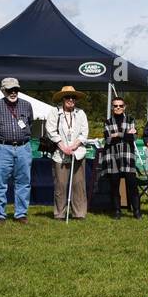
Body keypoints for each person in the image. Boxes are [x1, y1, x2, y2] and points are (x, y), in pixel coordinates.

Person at [0, 77, 34, 223]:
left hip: (24, 147)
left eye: (16, 89)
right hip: (2, 148)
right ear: (3, 91)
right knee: (0, 183)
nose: (13, 92)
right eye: (9, 90)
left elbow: (30, 123)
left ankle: (21, 214)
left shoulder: (27, 105)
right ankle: (0, 215)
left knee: (24, 182)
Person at [46, 86, 89, 219]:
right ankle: (59, 213)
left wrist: (75, 146)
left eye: (73, 97)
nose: (71, 99)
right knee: (61, 185)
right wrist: (63, 147)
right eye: (67, 97)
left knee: (79, 184)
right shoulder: (55, 112)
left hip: (78, 153)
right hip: (60, 153)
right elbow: (50, 131)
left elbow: (84, 132)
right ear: (62, 99)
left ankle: (79, 213)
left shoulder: (81, 113)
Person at [99, 95, 140, 219]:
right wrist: (125, 134)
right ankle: (117, 211)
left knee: (132, 184)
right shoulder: (107, 122)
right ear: (112, 107)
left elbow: (133, 138)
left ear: (124, 107)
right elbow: (108, 139)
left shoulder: (131, 119)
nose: (118, 108)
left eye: (120, 106)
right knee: (114, 185)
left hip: (127, 156)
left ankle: (137, 211)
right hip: (112, 157)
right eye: (115, 106)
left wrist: (117, 134)